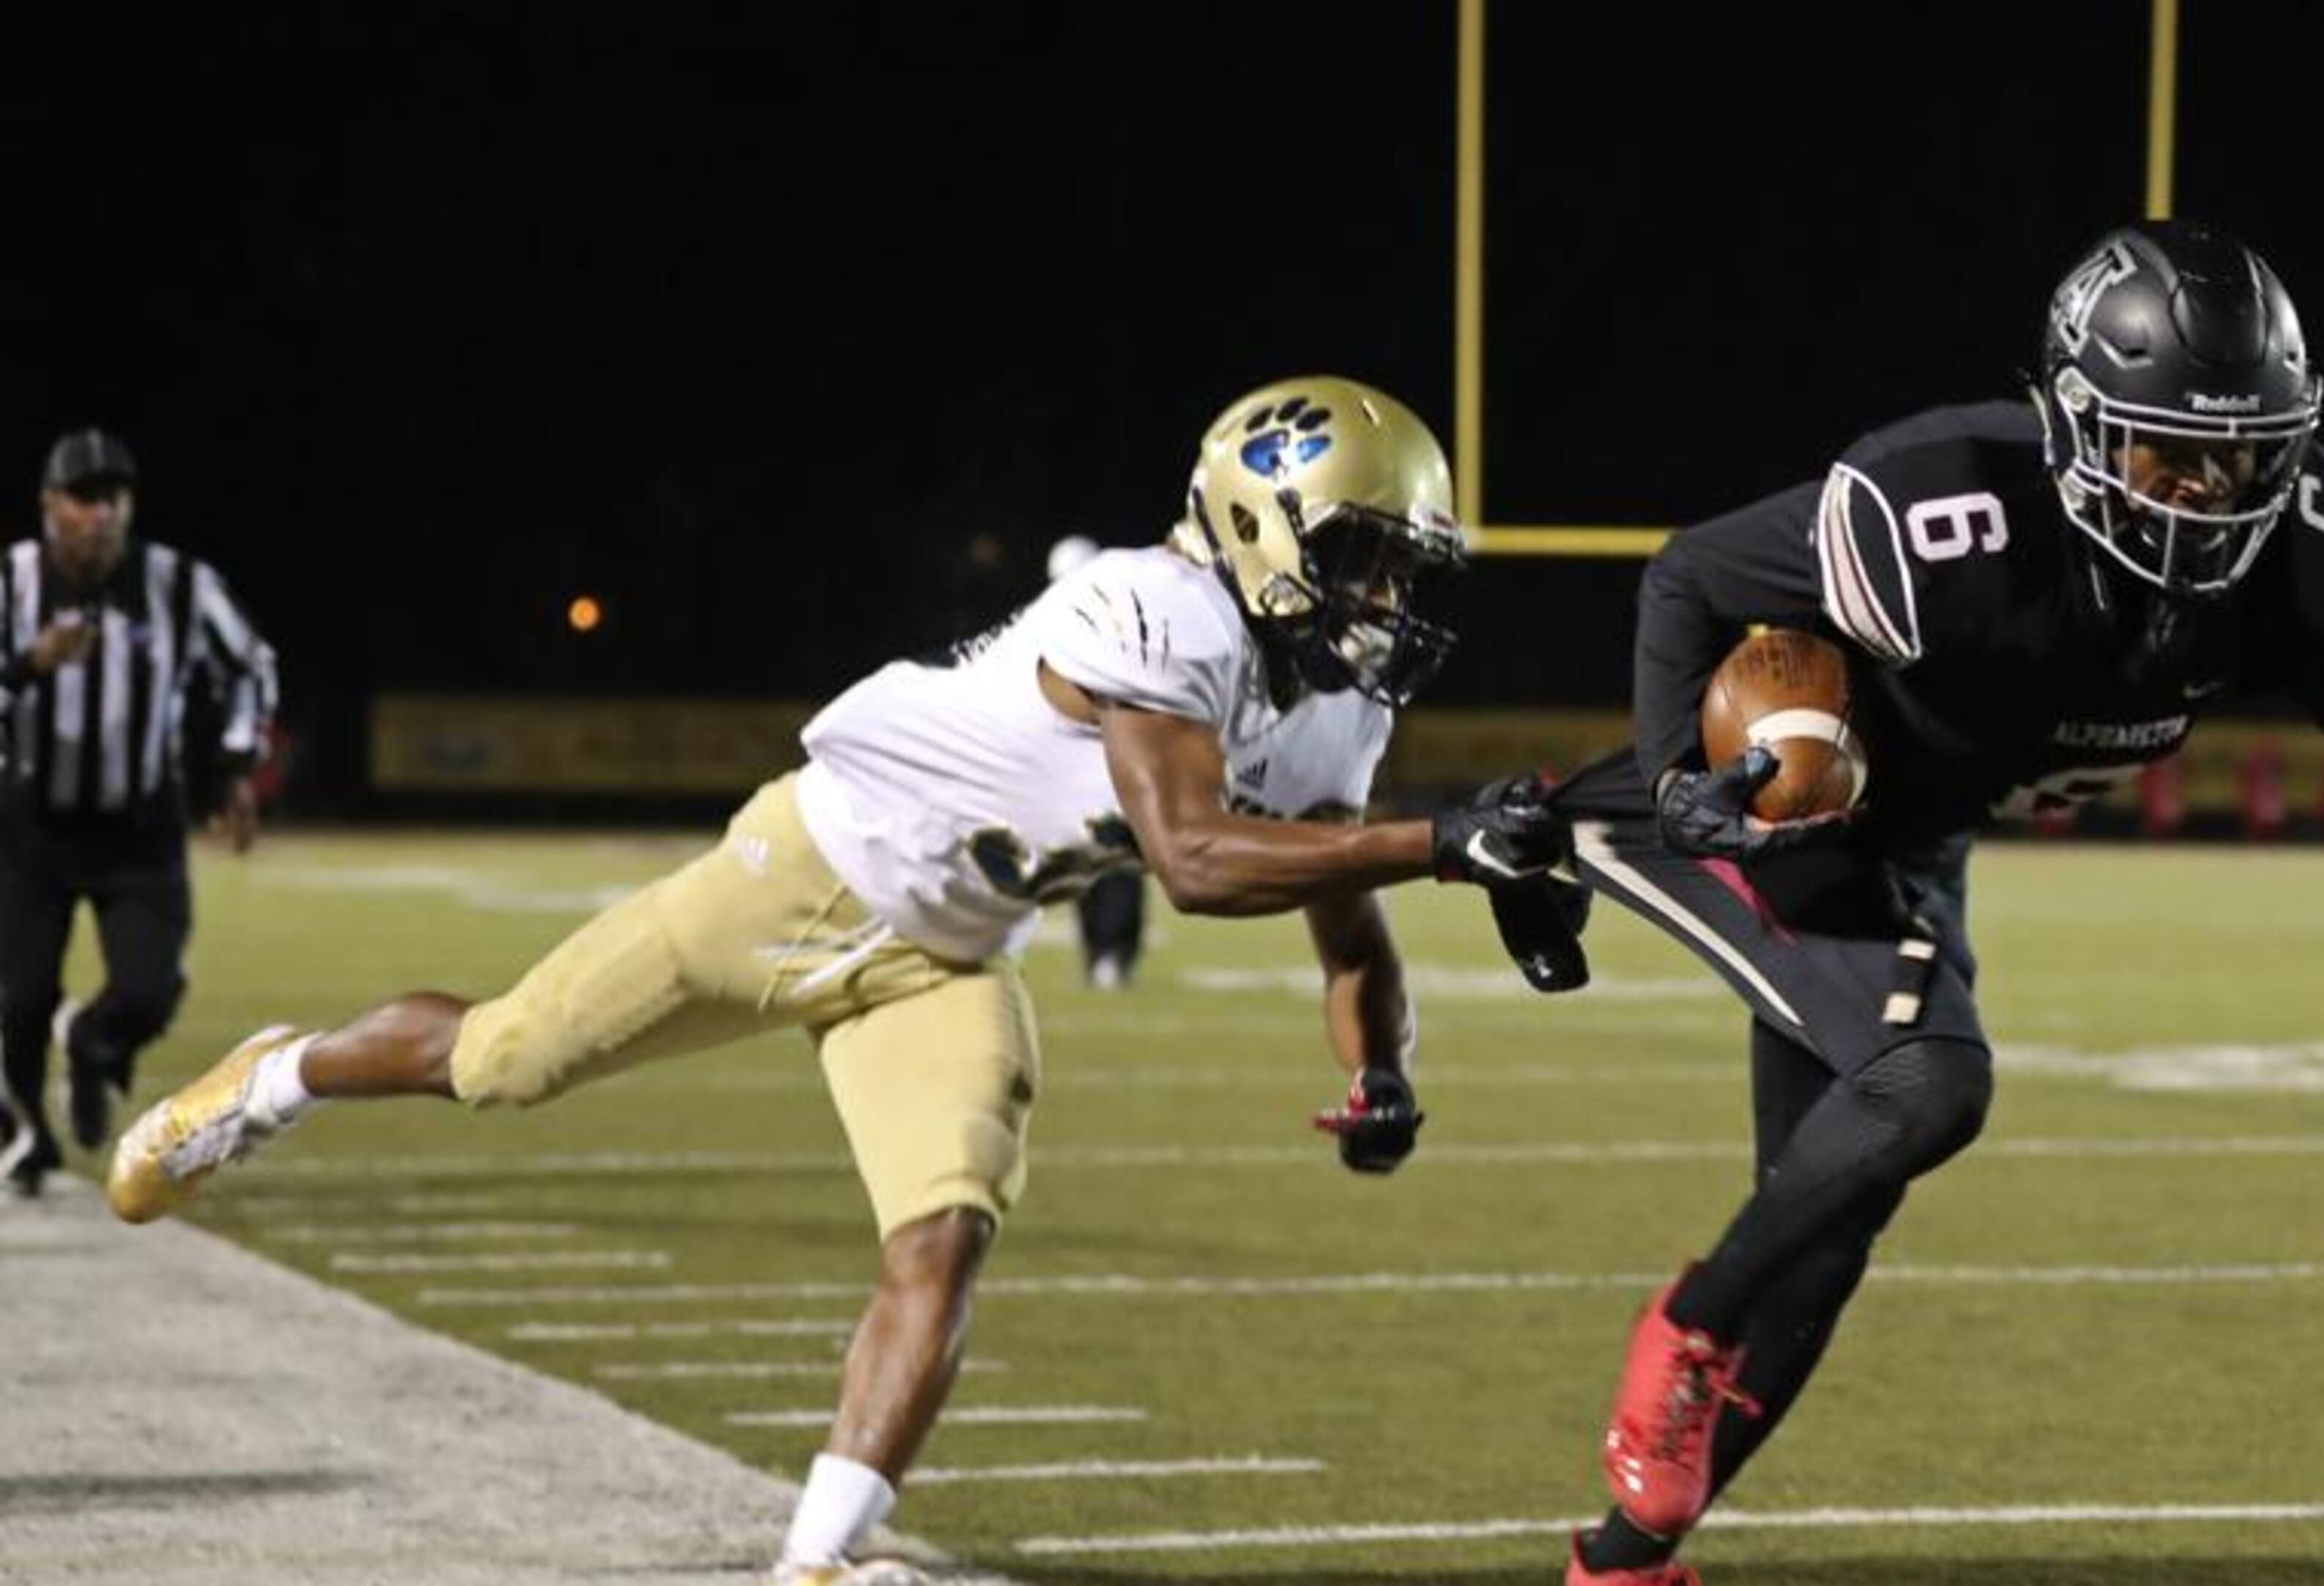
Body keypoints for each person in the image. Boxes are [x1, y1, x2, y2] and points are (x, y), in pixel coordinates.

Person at [103, 375, 1566, 1585]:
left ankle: (819, 1558)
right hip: (805, 873)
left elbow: (1343, 922)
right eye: (1365, 551)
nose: (1385, 593)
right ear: (1258, 521)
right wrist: (1446, 839)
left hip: (942, 957)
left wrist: (1379, 1067)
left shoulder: (1331, 712)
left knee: (942, 1238)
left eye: (1401, 563)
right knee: (500, 1059)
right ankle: (278, 1076)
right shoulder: (1153, 610)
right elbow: (1190, 856)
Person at [1535, 221, 2324, 1585]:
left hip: (1910, 853)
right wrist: (1683, 781)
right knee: (1932, 1084)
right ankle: (1689, 1325)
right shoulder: (1943, 511)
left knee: (1834, 1229)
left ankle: (1625, 1562)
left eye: (2247, 459)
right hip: (1772, 812)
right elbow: (1689, 577)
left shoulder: (2297, 557)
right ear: (2079, 424)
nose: (2211, 494)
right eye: (2171, 454)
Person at [0, 429, 277, 1199]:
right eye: (85, 497)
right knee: (19, 995)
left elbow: (250, 666)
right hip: (31, 825)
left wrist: (233, 768)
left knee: (151, 989)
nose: (101, 514)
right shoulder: (11, 583)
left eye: (113, 498)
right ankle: (28, 1139)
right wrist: (27, 667)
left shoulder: (178, 584)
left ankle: (94, 1044)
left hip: (141, 824)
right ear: (51, 506)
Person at [1043, 532, 1150, 990]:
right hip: (1079, 762)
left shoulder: (1120, 630)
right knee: (1087, 860)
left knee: (1120, 859)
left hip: (1115, 758)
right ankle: (1100, 953)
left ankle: (1114, 954)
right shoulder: (1048, 630)